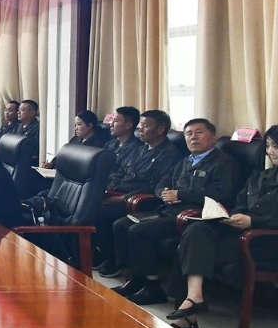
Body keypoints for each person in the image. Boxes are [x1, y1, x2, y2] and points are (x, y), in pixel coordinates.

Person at [111, 119, 240, 306]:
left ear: (213, 138)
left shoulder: (224, 163)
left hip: (192, 218)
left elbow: (223, 194)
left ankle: (153, 287)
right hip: (169, 211)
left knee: (139, 231)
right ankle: (136, 279)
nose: (193, 137)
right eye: (188, 134)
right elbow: (163, 182)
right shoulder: (185, 161)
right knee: (121, 224)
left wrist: (181, 194)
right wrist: (163, 193)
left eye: (199, 132)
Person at [164, 125, 278, 328]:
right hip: (242, 234)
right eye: (269, 146)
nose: (271, 152)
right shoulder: (261, 176)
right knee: (196, 231)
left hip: (265, 241)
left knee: (192, 247)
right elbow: (241, 202)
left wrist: (253, 221)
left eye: (276, 147)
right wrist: (234, 216)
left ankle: (189, 315)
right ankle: (194, 298)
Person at [96, 109, 184, 278]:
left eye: (145, 126)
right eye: (140, 125)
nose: (140, 129)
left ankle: (114, 260)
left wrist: (122, 198)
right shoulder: (141, 149)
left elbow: (155, 187)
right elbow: (122, 172)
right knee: (89, 205)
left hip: (143, 201)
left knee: (103, 214)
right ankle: (105, 256)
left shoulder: (169, 154)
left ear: (160, 129)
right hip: (121, 191)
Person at [42, 110, 109, 169]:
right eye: (75, 125)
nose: (75, 128)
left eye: (79, 124)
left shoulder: (97, 144)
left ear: (89, 126)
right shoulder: (76, 139)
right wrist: (51, 164)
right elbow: (64, 154)